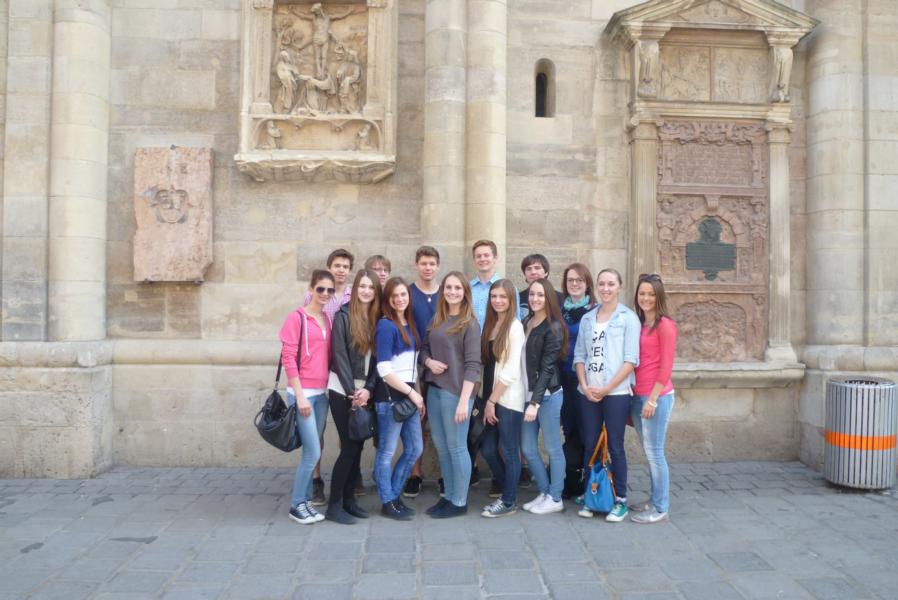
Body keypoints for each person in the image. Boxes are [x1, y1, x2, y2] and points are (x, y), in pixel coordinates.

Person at [573, 268, 640, 523]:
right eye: (601, 284)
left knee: (615, 445)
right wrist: (584, 385)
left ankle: (620, 499)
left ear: (619, 287)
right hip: (588, 392)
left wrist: (607, 388)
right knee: (590, 444)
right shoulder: (588, 318)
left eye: (611, 284)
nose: (605, 288)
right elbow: (580, 356)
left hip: (616, 393)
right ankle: (592, 495)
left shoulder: (628, 318)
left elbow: (630, 360)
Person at [419, 272, 481, 517]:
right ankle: (448, 496)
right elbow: (423, 349)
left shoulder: (470, 324)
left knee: (456, 447)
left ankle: (459, 502)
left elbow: (473, 365)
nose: (452, 292)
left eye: (457, 288)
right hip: (434, 390)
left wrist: (465, 401)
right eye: (448, 287)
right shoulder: (437, 318)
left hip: (456, 393)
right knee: (442, 447)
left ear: (465, 293)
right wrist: (429, 362)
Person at [326, 270, 381, 524]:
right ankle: (334, 505)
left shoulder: (378, 318)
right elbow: (339, 357)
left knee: (357, 447)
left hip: (364, 391)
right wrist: (352, 394)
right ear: (355, 288)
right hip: (342, 390)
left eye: (371, 287)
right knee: (348, 447)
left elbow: (379, 360)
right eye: (363, 286)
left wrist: (368, 389)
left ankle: (349, 501)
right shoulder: (343, 316)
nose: (367, 291)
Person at [280, 270, 333, 524]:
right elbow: (288, 358)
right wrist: (300, 396)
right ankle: (296, 505)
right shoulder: (296, 318)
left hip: (322, 394)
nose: (325, 294)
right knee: (312, 451)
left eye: (329, 290)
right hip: (303, 395)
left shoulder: (327, 319)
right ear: (311, 289)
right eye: (320, 288)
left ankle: (305, 502)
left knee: (314, 449)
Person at [303, 248, 354, 505]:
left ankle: (351, 475)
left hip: (344, 369)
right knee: (317, 428)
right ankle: (315, 480)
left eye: (345, 266)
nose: (341, 270)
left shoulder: (355, 293)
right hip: (318, 369)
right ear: (329, 267)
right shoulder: (317, 293)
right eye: (337, 265)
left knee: (349, 425)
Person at [374, 277, 425, 520]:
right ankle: (388, 501)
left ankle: (393, 495)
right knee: (386, 452)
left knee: (415, 448)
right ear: (388, 299)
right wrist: (412, 394)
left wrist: (418, 395)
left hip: (409, 398)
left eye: (403, 294)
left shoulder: (409, 323)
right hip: (391, 399)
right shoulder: (386, 325)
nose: (399, 299)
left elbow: (412, 368)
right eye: (394, 295)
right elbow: (384, 369)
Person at [630, 274, 677, 524]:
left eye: (651, 294)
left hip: (656, 396)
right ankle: (654, 498)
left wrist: (653, 399)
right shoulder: (639, 323)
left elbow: (666, 367)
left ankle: (660, 508)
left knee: (656, 453)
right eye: (642, 293)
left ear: (659, 297)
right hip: (638, 394)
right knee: (649, 452)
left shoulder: (665, 325)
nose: (646, 298)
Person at [520, 279, 568, 515]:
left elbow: (548, 369)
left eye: (540, 295)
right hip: (527, 395)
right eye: (532, 294)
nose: (535, 299)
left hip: (546, 397)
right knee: (528, 448)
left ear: (548, 297)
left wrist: (535, 402)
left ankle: (556, 497)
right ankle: (544, 491)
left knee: (552, 448)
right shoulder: (526, 321)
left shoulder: (553, 327)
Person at [479, 279, 526, 517]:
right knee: (488, 448)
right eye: (494, 296)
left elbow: (510, 372)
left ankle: (508, 501)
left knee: (508, 449)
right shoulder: (490, 324)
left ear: (511, 300)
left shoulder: (514, 327)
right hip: (489, 396)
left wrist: (492, 402)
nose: (498, 300)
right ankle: (509, 489)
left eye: (503, 297)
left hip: (506, 400)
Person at [404, 246, 442, 498]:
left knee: (440, 422)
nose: (428, 267)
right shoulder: (407, 293)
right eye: (423, 263)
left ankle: (443, 474)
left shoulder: (446, 293)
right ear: (416, 265)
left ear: (437, 266)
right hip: (413, 364)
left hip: (441, 365)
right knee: (415, 420)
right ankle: (414, 474)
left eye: (432, 263)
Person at [559, 263, 595, 498]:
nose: (574, 284)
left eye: (579, 280)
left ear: (587, 284)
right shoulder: (559, 310)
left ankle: (592, 482)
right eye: (570, 280)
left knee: (586, 430)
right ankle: (573, 479)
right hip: (563, 377)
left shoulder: (594, 311)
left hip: (586, 379)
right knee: (569, 428)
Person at [516, 253, 562, 319]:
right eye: (529, 269)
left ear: (546, 272)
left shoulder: (560, 298)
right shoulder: (518, 298)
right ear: (524, 274)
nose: (533, 272)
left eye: (537, 268)